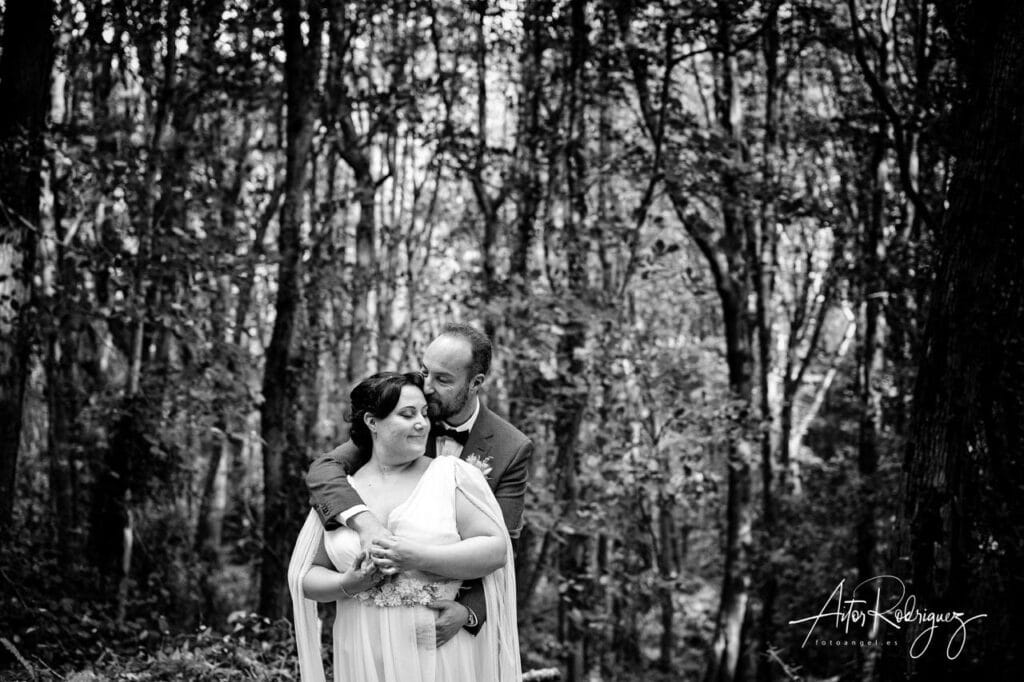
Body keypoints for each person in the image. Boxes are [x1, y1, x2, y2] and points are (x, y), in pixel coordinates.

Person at [304, 323, 533, 643]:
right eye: (424, 371)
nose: (426, 386)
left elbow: (504, 544)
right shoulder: (399, 416)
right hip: (369, 627)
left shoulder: (510, 448)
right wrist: (367, 525)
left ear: (475, 383)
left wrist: (468, 612)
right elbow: (324, 470)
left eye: (442, 379)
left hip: (445, 622)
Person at [288, 372, 521, 682]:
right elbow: (306, 576)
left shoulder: (450, 475)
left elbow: (495, 550)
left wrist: (414, 557)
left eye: (424, 413)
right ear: (372, 422)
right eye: (407, 415)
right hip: (361, 644)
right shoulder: (342, 489)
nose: (422, 424)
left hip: (435, 649)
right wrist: (349, 583)